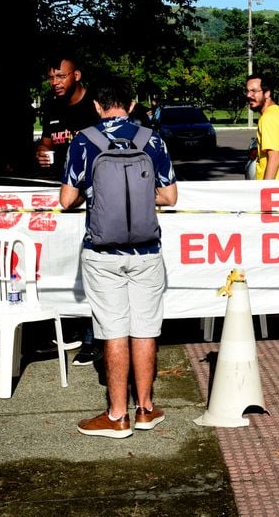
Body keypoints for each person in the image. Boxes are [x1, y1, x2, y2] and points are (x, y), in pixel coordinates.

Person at [59, 80, 177, 439]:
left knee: (113, 331)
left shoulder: (84, 140)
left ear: (97, 105)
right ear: (133, 103)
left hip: (103, 253)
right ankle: (144, 408)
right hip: (147, 251)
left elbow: (66, 199)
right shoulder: (151, 140)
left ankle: (116, 415)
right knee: (144, 329)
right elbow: (169, 195)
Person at [35, 55, 101, 365]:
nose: (55, 83)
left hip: (93, 199)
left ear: (76, 74)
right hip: (62, 197)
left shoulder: (94, 104)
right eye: (51, 78)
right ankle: (69, 330)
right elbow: (47, 143)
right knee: (62, 263)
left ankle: (93, 338)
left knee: (91, 267)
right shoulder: (50, 106)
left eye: (60, 76)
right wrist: (43, 153)